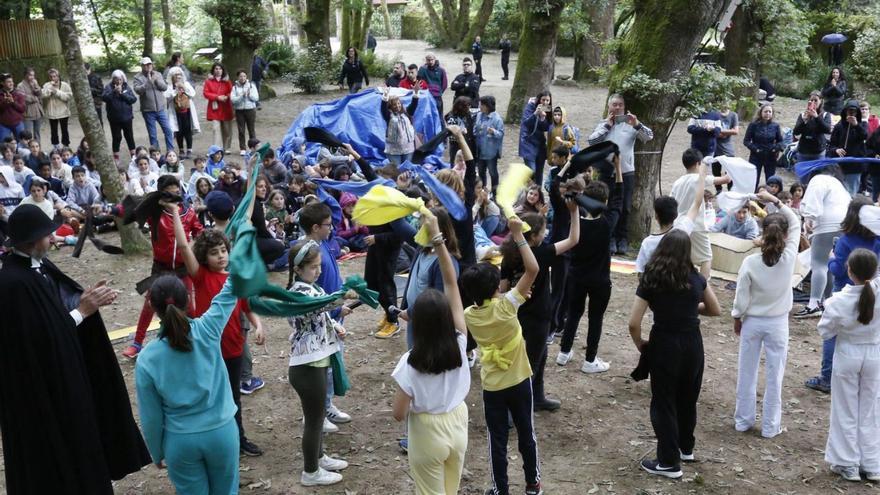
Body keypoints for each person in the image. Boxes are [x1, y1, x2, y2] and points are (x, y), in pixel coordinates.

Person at [0, 204, 151, 493]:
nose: (54, 238)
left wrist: (85, 299)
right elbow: (36, 343)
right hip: (43, 397)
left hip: (67, 379)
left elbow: (54, 311)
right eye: (48, 235)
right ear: (32, 241)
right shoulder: (12, 284)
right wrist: (82, 311)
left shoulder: (40, 266)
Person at [135, 272, 243, 494]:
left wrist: (157, 451)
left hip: (180, 442)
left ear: (153, 310)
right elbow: (231, 290)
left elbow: (151, 416)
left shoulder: (147, 358)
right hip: (222, 433)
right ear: (189, 299)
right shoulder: (208, 329)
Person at [627, 229, 722, 478]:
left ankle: (668, 462)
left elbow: (634, 322)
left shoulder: (652, 277)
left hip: (665, 341)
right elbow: (715, 309)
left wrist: (640, 344)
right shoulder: (696, 278)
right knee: (688, 396)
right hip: (692, 342)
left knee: (664, 401)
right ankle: (685, 447)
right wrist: (691, 308)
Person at [461, 216, 544, 495]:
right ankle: (533, 484)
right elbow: (532, 269)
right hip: (520, 378)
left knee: (496, 440)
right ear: (497, 287)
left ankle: (501, 489)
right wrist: (518, 235)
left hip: (492, 385)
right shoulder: (508, 307)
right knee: (526, 434)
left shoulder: (469, 315)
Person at [391, 211, 469, 495]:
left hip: (426, 432)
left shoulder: (410, 363)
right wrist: (438, 239)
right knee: (451, 489)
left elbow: (399, 414)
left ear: (417, 322)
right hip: (458, 422)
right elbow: (451, 284)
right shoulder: (461, 341)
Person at [501, 192, 580, 411]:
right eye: (543, 231)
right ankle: (512, 410)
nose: (545, 235)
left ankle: (538, 397)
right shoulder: (542, 252)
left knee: (540, 357)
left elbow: (503, 288)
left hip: (516, 314)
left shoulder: (509, 253)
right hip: (538, 317)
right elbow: (574, 240)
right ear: (534, 236)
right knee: (530, 365)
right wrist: (574, 213)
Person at [730, 192, 800, 439]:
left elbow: (741, 297)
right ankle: (771, 426)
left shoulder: (750, 263)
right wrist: (776, 200)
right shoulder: (789, 258)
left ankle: (743, 420)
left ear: (762, 232)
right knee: (775, 375)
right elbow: (796, 222)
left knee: (746, 371)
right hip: (778, 323)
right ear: (786, 236)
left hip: (752, 321)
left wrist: (737, 317)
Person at [285, 240, 353, 486]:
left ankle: (319, 457)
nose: (319, 271)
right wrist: (340, 298)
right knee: (314, 422)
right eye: (314, 267)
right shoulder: (299, 293)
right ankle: (310, 472)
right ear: (299, 269)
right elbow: (312, 309)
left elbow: (320, 315)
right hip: (307, 366)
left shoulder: (311, 288)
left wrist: (335, 323)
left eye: (319, 266)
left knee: (317, 418)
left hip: (316, 362)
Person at [122, 175, 204, 358]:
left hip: (183, 268)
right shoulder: (154, 212)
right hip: (161, 267)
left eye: (176, 188)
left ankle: (196, 337)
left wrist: (194, 244)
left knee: (190, 306)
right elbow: (130, 210)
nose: (174, 192)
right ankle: (137, 343)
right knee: (150, 303)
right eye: (169, 189)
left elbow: (200, 231)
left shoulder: (188, 212)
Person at [806, 197, 880, 395]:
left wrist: (831, 260)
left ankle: (827, 377)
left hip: (846, 292)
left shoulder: (845, 241)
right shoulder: (877, 240)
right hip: (871, 293)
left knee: (834, 334)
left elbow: (839, 271)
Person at [817, 248, 880, 482]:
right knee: (871, 408)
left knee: (845, 408)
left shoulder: (838, 301)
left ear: (849, 271)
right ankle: (872, 464)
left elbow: (825, 332)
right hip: (874, 354)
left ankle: (848, 463)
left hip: (848, 353)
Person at [556, 155, 622, 372]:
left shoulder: (574, 222)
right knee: (595, 318)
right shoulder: (607, 223)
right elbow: (619, 198)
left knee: (573, 313)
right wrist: (618, 168)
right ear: (603, 202)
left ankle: (564, 352)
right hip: (600, 281)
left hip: (576, 276)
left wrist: (568, 164)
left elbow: (557, 186)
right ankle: (590, 360)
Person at [588, 93, 654, 255]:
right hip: (607, 172)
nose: (617, 107)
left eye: (620, 105)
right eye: (614, 104)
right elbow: (592, 141)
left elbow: (649, 136)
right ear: (609, 107)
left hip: (626, 172)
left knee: (624, 206)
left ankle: (622, 238)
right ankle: (608, 238)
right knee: (608, 205)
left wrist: (637, 124)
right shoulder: (603, 124)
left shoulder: (631, 124)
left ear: (624, 107)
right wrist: (607, 126)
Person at [796, 165, 850, 319]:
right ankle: (828, 302)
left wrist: (809, 218)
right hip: (845, 226)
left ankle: (813, 304)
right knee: (828, 265)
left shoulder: (819, 179)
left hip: (826, 224)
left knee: (819, 264)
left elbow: (814, 199)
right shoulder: (839, 185)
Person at [635, 162, 706, 274]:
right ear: (676, 215)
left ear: (656, 217)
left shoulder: (648, 242)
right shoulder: (682, 231)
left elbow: (640, 272)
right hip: (677, 285)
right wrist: (702, 177)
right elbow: (697, 204)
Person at [670, 151, 730, 278]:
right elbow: (725, 180)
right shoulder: (700, 178)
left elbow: (671, 203)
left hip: (679, 225)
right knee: (706, 257)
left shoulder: (677, 182)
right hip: (696, 225)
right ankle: (703, 288)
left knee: (682, 255)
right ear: (698, 164)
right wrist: (727, 170)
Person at [133, 57, 175, 152]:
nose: (148, 66)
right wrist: (148, 82)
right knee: (153, 134)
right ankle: (156, 155)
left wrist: (156, 81)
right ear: (142, 66)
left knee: (168, 130)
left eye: (149, 64)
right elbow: (138, 90)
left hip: (160, 109)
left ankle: (170, 151)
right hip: (148, 111)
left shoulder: (158, 74)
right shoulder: (137, 77)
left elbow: (164, 88)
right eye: (146, 65)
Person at [828, 99, 868, 195]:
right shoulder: (839, 126)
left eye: (854, 111)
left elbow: (865, 136)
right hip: (839, 166)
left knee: (850, 194)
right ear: (845, 111)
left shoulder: (862, 124)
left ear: (857, 113)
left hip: (855, 167)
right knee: (837, 193)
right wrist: (836, 150)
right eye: (849, 110)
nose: (851, 113)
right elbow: (831, 144)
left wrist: (856, 125)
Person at [743, 104, 784, 190]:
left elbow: (781, 141)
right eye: (765, 111)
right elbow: (746, 141)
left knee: (771, 180)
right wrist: (755, 149)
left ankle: (769, 198)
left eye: (770, 112)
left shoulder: (775, 126)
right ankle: (752, 197)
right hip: (756, 155)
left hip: (770, 156)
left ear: (772, 114)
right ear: (761, 112)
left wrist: (775, 148)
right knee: (754, 179)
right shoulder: (753, 125)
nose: (767, 113)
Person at [101, 70, 138, 161]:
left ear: (123, 79)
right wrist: (114, 92)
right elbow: (104, 98)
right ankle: (116, 157)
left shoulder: (126, 87)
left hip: (127, 118)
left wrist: (122, 94)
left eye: (120, 79)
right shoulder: (108, 87)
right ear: (113, 79)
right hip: (114, 119)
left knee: (129, 136)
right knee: (117, 137)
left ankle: (133, 156)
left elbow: (133, 99)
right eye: (116, 79)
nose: (118, 81)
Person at [473, 95, 504, 195]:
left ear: (488, 106)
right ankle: (482, 190)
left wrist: (494, 132)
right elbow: (475, 128)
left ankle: (495, 192)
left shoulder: (497, 119)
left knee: (493, 172)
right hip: (480, 150)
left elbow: (501, 134)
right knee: (481, 172)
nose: (480, 106)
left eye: (482, 105)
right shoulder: (479, 115)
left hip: (491, 152)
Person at [164, 66, 197, 159]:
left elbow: (193, 94)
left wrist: (184, 87)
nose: (178, 77)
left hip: (187, 111)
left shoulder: (186, 84)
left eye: (179, 74)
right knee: (179, 130)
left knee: (188, 129)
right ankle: (181, 149)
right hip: (175, 112)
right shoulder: (170, 86)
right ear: (172, 76)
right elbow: (167, 97)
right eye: (175, 75)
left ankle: (189, 149)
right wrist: (175, 90)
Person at [519, 91, 552, 183]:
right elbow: (526, 123)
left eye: (547, 100)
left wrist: (543, 118)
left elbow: (547, 127)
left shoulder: (548, 109)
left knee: (539, 173)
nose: (545, 102)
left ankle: (538, 194)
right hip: (528, 143)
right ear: (539, 99)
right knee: (531, 171)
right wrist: (535, 114)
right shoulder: (530, 107)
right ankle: (527, 192)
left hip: (540, 145)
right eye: (543, 100)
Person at [380, 90, 418, 165]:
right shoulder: (388, 116)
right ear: (390, 107)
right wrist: (385, 97)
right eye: (394, 105)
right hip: (394, 150)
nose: (397, 106)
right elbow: (383, 109)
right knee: (397, 171)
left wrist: (416, 93)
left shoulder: (406, 113)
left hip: (408, 148)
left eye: (398, 103)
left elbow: (413, 105)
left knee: (406, 169)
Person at [793, 91, 833, 163]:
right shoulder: (803, 114)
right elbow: (796, 132)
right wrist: (804, 121)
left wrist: (817, 117)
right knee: (803, 174)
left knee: (817, 174)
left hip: (818, 152)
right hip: (803, 152)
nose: (813, 102)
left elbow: (827, 130)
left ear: (821, 101)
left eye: (816, 100)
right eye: (811, 100)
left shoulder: (825, 115)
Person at [204, 63, 235, 153]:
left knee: (227, 129)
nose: (218, 70)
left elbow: (232, 91)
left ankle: (227, 147)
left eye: (220, 69)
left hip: (226, 107)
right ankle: (217, 148)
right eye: (216, 69)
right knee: (215, 128)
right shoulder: (208, 81)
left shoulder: (227, 81)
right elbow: (206, 93)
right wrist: (217, 97)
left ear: (223, 70)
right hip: (214, 108)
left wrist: (226, 96)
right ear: (213, 70)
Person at [41, 68, 72, 147]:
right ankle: (56, 146)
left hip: (63, 112)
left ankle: (66, 145)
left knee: (64, 130)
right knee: (53, 130)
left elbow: (68, 97)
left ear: (58, 76)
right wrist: (49, 91)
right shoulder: (46, 85)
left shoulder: (65, 85)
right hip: (52, 112)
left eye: (55, 76)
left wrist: (57, 92)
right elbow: (42, 95)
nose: (53, 78)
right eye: (51, 77)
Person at [231, 69, 259, 156]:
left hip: (250, 109)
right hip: (239, 110)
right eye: (240, 76)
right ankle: (242, 148)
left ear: (246, 77)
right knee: (241, 130)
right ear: (238, 77)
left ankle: (253, 147)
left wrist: (249, 95)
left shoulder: (251, 86)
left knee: (251, 129)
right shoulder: (234, 87)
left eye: (244, 76)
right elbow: (233, 100)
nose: (242, 78)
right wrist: (242, 96)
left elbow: (256, 98)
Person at [17, 68, 43, 144]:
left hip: (37, 111)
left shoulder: (34, 82)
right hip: (27, 113)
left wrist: (37, 88)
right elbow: (23, 98)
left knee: (37, 133)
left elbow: (40, 95)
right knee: (27, 134)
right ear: (25, 75)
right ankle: (28, 150)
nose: (32, 77)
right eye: (30, 75)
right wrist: (34, 98)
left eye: (33, 75)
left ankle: (38, 149)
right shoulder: (20, 85)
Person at [0, 73, 26, 142]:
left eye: (12, 81)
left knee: (21, 144)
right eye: (8, 82)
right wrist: (5, 102)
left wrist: (13, 102)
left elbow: (22, 109)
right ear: (2, 83)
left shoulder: (19, 93)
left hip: (18, 123)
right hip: (3, 124)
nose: (11, 83)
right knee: (4, 146)